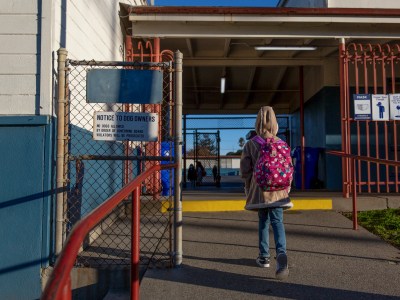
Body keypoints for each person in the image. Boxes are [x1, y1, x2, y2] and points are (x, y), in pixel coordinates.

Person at [240, 106, 293, 280]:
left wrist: (248, 187)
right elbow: (289, 168)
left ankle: (264, 257)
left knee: (263, 221)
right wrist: (287, 188)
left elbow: (245, 171)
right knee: (278, 221)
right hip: (279, 192)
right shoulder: (282, 143)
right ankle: (282, 254)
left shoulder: (251, 143)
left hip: (260, 191)